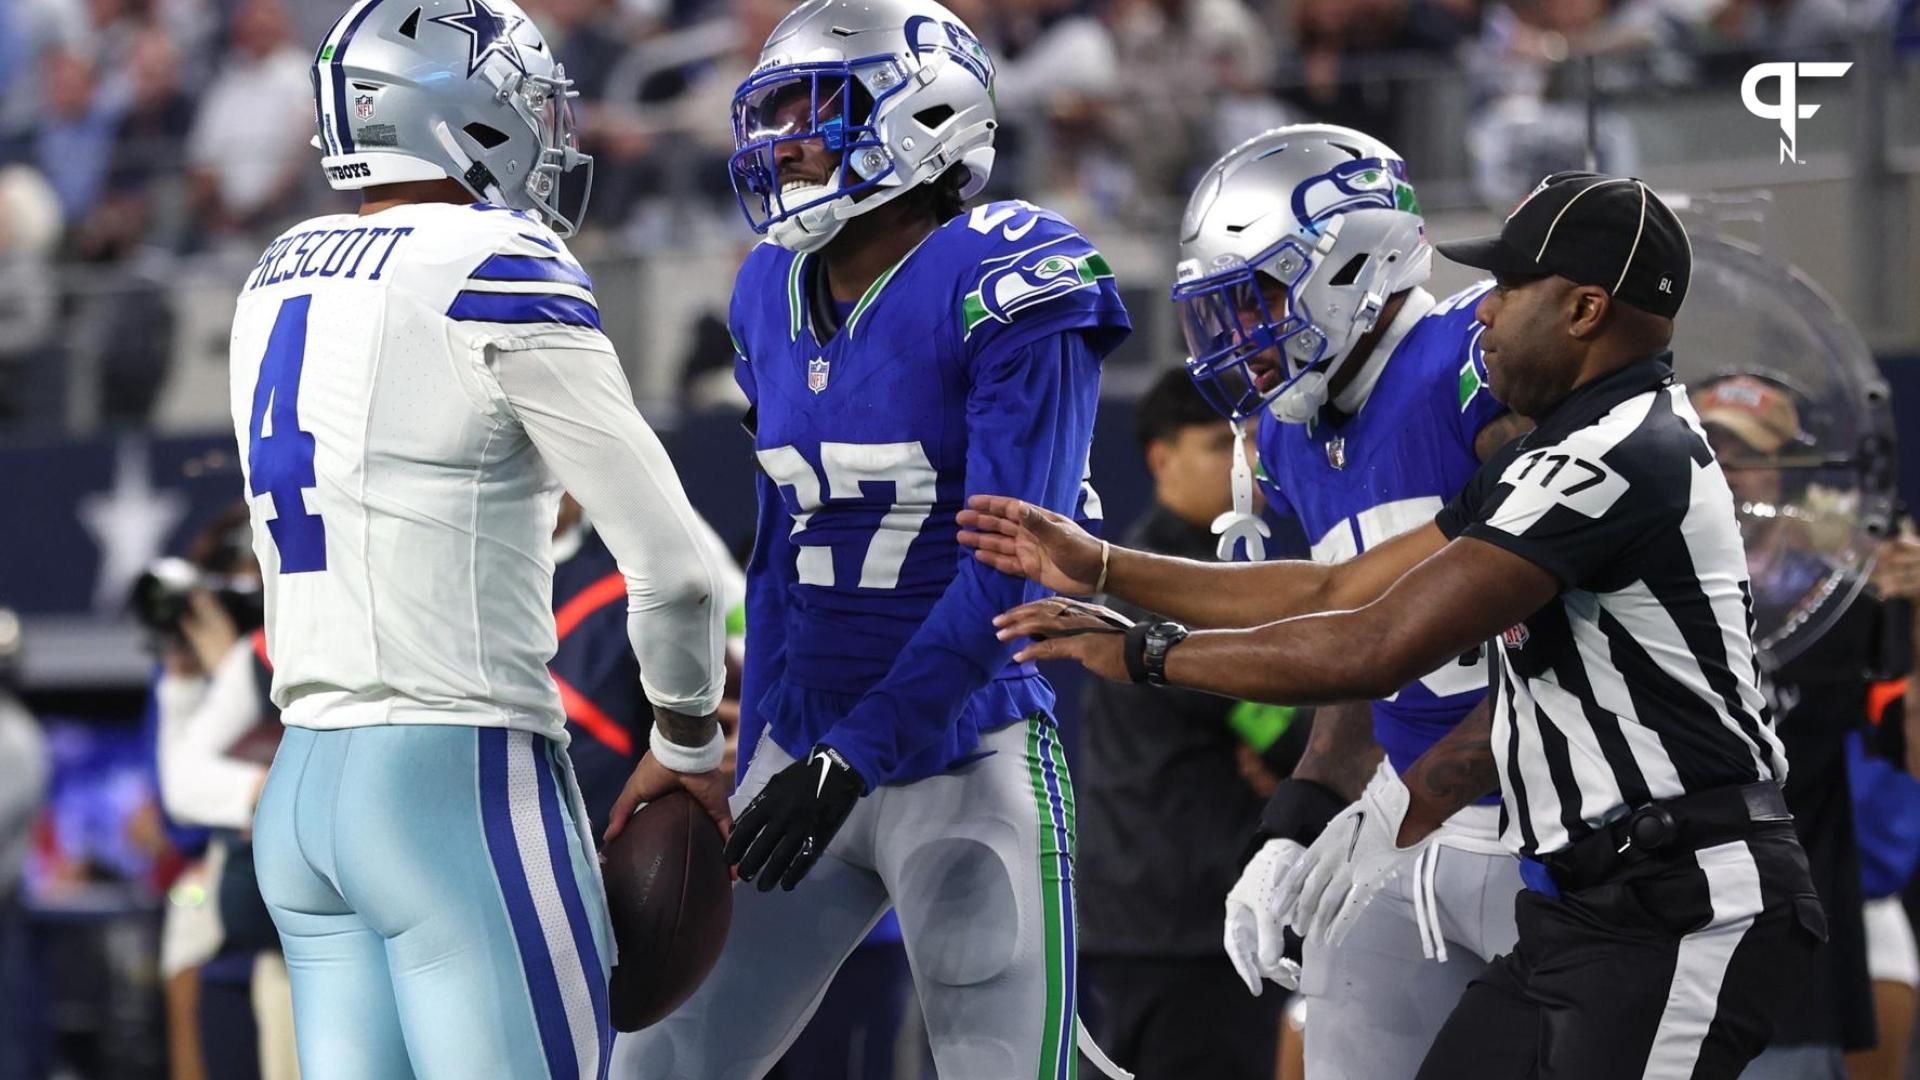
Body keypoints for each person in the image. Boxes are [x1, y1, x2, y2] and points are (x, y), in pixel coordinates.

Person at [965, 171, 1825, 1078]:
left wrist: (1149, 653)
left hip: (1686, 893)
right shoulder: (1560, 455)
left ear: (1582, 309)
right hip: (1580, 901)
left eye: (1510, 288)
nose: (1484, 311)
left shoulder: (1617, 457)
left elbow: (1376, 646)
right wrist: (1105, 566)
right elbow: (1338, 589)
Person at [624, 1, 1131, 1077]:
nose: (785, 142)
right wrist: (745, 750)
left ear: (928, 114)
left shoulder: (1008, 276)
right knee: (658, 1067)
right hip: (802, 746)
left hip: (965, 753)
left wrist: (851, 758)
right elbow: (776, 549)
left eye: (817, 108)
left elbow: (1014, 562)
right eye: (773, 113)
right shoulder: (769, 280)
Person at [232, 3, 731, 1076]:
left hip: (303, 786)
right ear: (455, 111)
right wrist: (688, 741)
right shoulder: (496, 260)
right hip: (452, 778)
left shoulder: (278, 267)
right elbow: (677, 570)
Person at [1172, 123, 1529, 1079]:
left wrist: (1419, 793)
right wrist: (1297, 820)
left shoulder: (1483, 356)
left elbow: (1585, 615)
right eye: (1224, 308)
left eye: (1259, 296)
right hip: (1415, 822)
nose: (1241, 336)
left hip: (1564, 823)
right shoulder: (1291, 437)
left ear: (1353, 262)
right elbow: (1361, 647)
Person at [1079, 366, 1308, 1080]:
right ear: (1160, 458)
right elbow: (1300, 741)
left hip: (1141, 922)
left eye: (1251, 442)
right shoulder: (1180, 589)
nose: (1245, 465)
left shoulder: (1171, 574)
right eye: (1220, 445)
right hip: (1193, 933)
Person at [1685, 376, 1882, 1079]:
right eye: (1710, 447)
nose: (1728, 471)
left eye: (1749, 453)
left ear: (1789, 474)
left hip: (1793, 961)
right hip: (1664, 952)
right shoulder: (1641, 585)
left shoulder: (1844, 603)